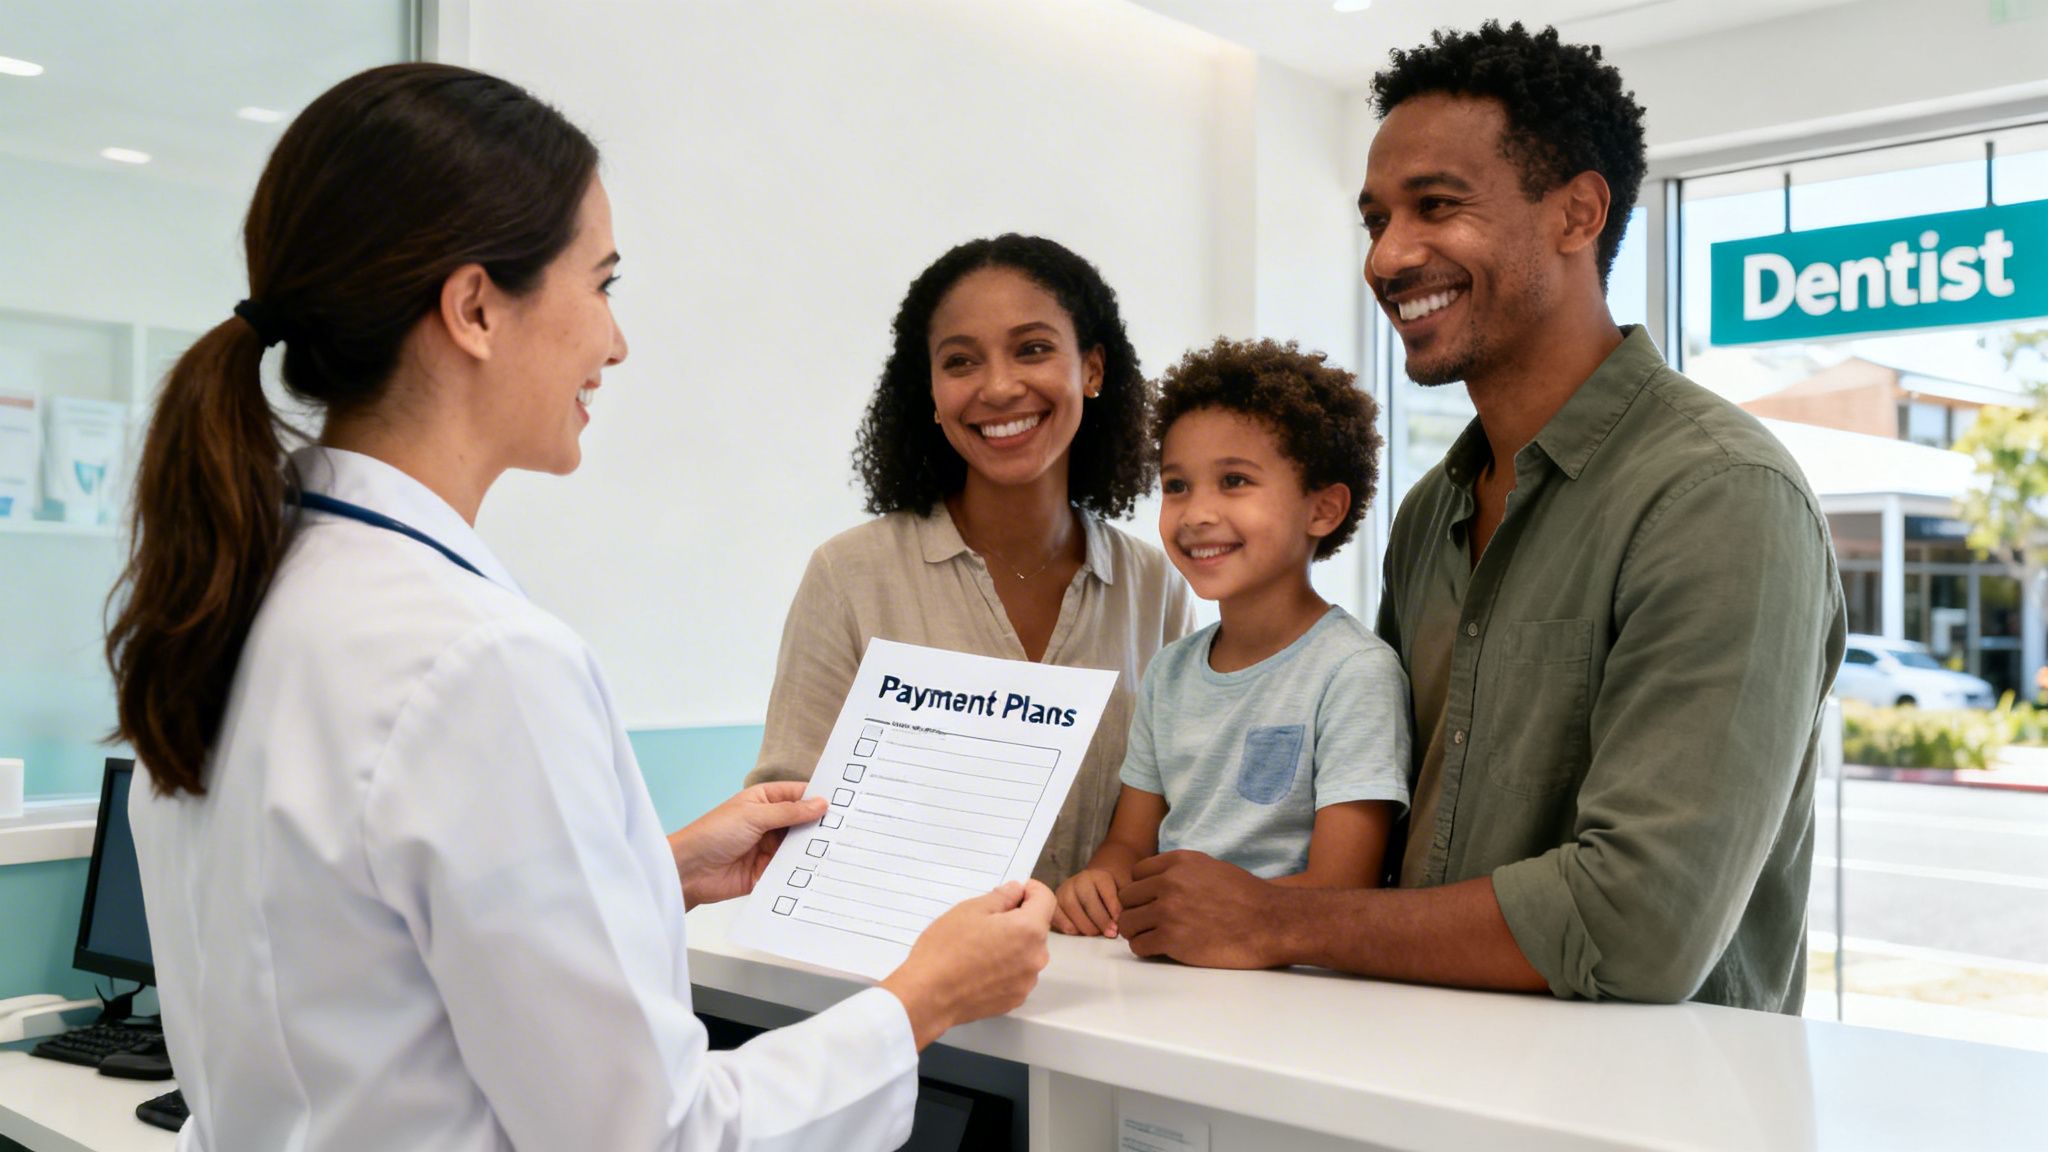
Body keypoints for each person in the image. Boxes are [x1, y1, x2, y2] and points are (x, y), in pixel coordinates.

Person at [107, 63, 1053, 1150]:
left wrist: (653, 868)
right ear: (473, 309)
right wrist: (922, 997)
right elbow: (654, 1137)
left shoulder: (242, 600)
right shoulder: (478, 663)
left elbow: (362, 950)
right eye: (601, 283)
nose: (615, 342)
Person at [1116, 22, 1846, 1012]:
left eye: (1436, 207)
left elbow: (1638, 926)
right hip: (1424, 1082)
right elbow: (1381, 830)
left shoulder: (1718, 497)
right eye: (1374, 217)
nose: (1386, 256)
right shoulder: (1431, 514)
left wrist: (1272, 918)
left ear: (1575, 213)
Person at [747, 234, 1197, 887]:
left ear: (1092, 369)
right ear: (930, 392)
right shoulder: (849, 577)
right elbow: (787, 825)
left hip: (1111, 983)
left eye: (1033, 349)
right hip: (909, 979)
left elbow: (1183, 812)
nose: (999, 386)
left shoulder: (1157, 588)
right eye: (960, 362)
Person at [1053, 338, 1410, 937]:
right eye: (1177, 485)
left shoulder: (1354, 672)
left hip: (1289, 986)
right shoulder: (1169, 672)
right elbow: (1128, 843)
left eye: (1235, 481)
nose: (1195, 514)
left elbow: (1344, 888)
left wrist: (1215, 919)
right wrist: (1099, 882)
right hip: (1168, 969)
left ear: (1323, 510)